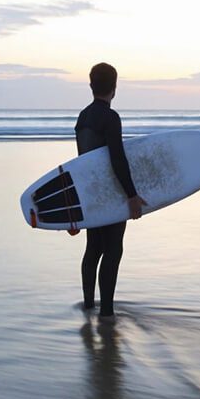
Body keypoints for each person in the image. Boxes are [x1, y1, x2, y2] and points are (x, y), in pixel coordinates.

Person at [74, 63, 147, 322]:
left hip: (91, 192)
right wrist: (131, 195)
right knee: (113, 250)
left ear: (91, 85)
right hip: (111, 192)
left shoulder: (82, 117)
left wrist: (78, 202)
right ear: (114, 88)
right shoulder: (111, 118)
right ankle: (106, 313)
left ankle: (87, 306)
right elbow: (117, 159)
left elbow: (82, 164)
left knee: (93, 247)